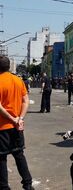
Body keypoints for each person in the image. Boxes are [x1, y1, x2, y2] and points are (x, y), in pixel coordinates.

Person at [0, 56, 34, 190]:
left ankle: (3, 187)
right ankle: (28, 184)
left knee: (1, 158)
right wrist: (20, 118)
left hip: (2, 126)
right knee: (19, 154)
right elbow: (25, 100)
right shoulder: (18, 80)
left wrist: (13, 119)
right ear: (8, 66)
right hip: (16, 126)